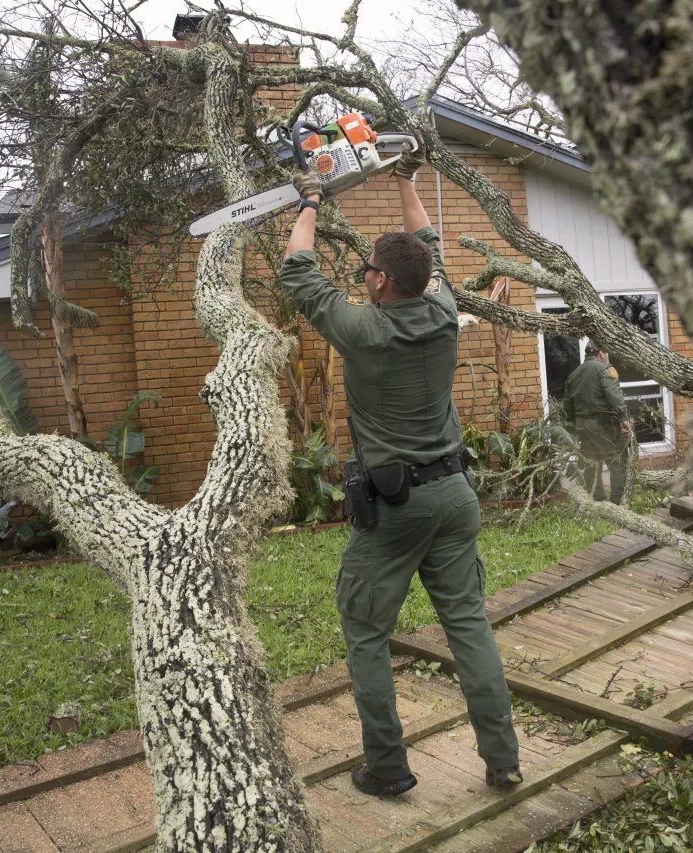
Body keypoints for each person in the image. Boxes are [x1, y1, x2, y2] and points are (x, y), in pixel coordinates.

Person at [276, 146, 521, 797]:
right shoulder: (442, 306)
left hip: (398, 507)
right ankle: (504, 756)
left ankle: (386, 765)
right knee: (467, 621)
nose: (362, 276)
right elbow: (427, 241)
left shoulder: (362, 327)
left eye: (367, 269)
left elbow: (298, 269)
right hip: (454, 496)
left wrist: (308, 200)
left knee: (364, 627)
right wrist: (407, 179)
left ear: (381, 280)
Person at [563, 343, 633, 504]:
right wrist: (624, 419)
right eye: (606, 352)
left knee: (591, 464)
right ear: (601, 353)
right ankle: (616, 504)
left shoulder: (573, 374)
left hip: (583, 426)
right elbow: (614, 396)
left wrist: (577, 424)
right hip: (604, 425)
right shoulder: (605, 369)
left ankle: (598, 502)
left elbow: (567, 406)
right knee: (618, 461)